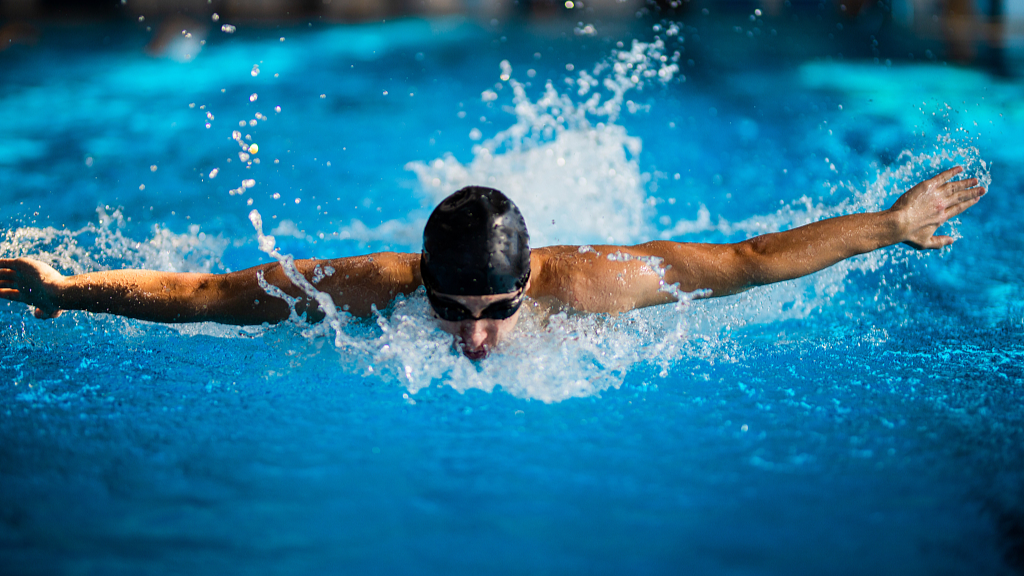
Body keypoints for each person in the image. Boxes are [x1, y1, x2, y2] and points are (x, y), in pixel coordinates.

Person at [0, 167, 985, 359]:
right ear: (420, 283)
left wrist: (886, 225)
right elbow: (212, 294)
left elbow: (748, 259)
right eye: (451, 308)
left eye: (494, 310)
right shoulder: (374, 288)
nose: (473, 335)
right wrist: (64, 292)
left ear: (529, 284)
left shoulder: (594, 283)